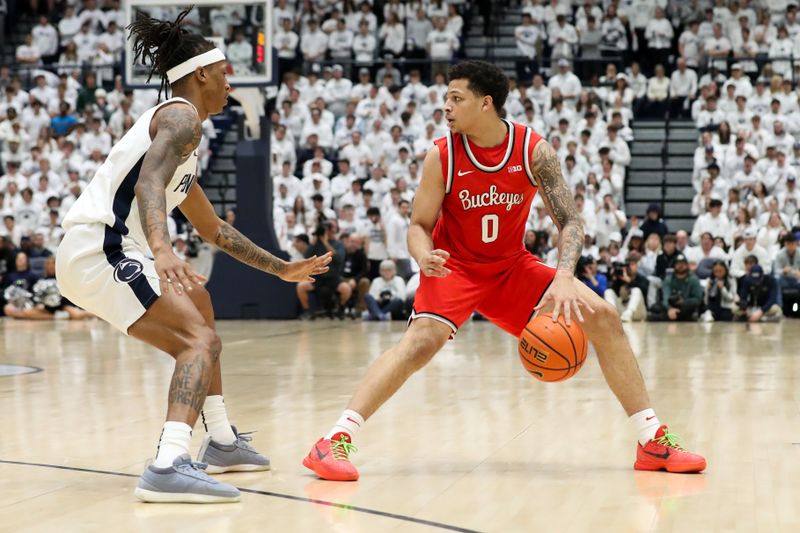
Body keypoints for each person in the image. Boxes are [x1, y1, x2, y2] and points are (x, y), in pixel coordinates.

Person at [302, 61, 705, 482]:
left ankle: (651, 440)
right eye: (445, 98)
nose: (446, 107)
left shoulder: (533, 150)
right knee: (420, 343)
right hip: (454, 267)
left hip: (510, 268)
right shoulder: (442, 156)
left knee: (603, 316)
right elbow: (419, 226)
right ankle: (333, 441)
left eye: (456, 98)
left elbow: (570, 220)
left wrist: (565, 276)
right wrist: (423, 257)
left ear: (486, 103)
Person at [55, 8, 331, 504]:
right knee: (196, 342)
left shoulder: (185, 134)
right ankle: (167, 463)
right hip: (103, 247)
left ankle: (221, 440)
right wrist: (161, 249)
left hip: (111, 247)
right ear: (201, 72)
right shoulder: (181, 116)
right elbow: (149, 183)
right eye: (225, 73)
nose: (230, 83)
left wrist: (281, 268)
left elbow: (213, 228)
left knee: (201, 309)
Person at [650, 253, 703, 322]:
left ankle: (664, 317)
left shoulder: (694, 279)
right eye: (678, 264)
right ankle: (678, 317)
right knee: (654, 307)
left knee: (693, 305)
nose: (680, 266)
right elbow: (666, 296)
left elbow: (698, 298)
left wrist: (683, 302)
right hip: (671, 305)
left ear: (687, 265)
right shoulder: (668, 279)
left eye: (683, 264)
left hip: (686, 305)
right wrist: (669, 309)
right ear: (674, 266)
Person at [604, 251, 649, 322]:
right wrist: (613, 278)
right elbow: (614, 293)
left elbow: (643, 291)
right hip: (623, 311)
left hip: (638, 312)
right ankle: (613, 315)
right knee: (608, 291)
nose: (630, 267)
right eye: (628, 265)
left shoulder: (642, 279)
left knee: (636, 290)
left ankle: (628, 313)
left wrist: (629, 281)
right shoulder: (620, 277)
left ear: (637, 266)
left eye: (633, 264)